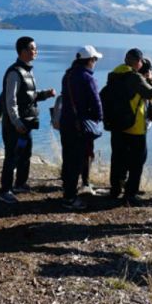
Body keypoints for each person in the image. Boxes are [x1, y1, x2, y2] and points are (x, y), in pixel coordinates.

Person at [0, 36, 56, 204]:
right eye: (32, 48)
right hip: (15, 125)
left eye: (35, 48)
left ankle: (20, 184)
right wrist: (17, 122)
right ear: (23, 51)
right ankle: (5, 191)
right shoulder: (14, 73)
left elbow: (29, 97)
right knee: (12, 157)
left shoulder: (28, 71)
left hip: (26, 123)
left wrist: (45, 94)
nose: (35, 51)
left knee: (25, 154)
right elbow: (11, 100)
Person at [102, 48, 152, 205]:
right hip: (135, 127)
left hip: (117, 125)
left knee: (118, 158)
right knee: (137, 161)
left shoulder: (114, 75)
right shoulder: (135, 78)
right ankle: (131, 193)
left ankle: (115, 189)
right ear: (138, 62)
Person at [58, 45, 103, 210]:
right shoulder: (87, 78)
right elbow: (96, 101)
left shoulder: (68, 75)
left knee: (68, 158)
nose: (96, 62)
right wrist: (98, 118)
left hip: (66, 123)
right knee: (77, 161)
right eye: (95, 59)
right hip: (79, 125)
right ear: (90, 60)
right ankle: (70, 198)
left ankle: (67, 191)